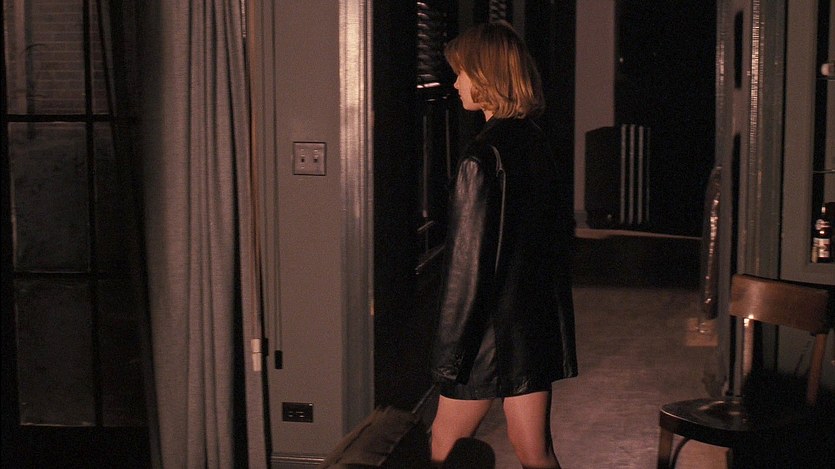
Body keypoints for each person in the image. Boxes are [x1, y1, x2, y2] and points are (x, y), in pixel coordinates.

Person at [430, 21, 578, 469]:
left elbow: (467, 270)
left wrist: (449, 356)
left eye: (463, 73)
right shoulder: (536, 142)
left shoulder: (480, 158)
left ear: (486, 75)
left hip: (487, 334)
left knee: (443, 447)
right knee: (535, 450)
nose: (456, 83)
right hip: (529, 325)